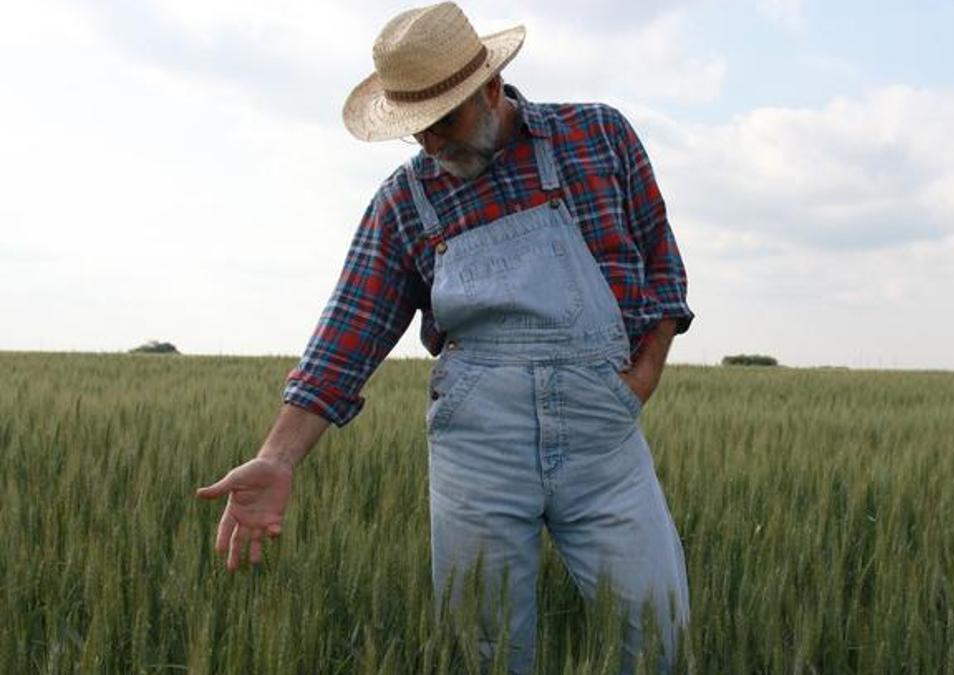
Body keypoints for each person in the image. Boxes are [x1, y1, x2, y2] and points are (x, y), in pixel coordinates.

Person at [195, 2, 694, 672]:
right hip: (480, 448)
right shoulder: (405, 202)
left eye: (443, 121)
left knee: (661, 632)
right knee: (481, 649)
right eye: (416, 130)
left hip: (604, 438)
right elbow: (347, 334)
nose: (431, 144)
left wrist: (644, 375)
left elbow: (662, 261)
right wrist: (278, 457)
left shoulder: (598, 137)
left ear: (490, 88)